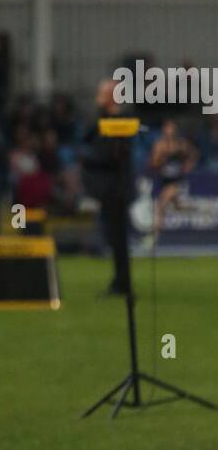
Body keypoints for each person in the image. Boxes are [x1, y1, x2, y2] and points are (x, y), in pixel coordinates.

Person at [81, 78, 135, 296]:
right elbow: (88, 137)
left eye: (102, 93)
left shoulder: (120, 122)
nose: (98, 97)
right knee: (114, 238)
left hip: (117, 189)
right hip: (110, 189)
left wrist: (88, 158)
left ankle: (122, 283)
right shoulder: (103, 121)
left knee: (118, 238)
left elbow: (111, 156)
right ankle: (120, 280)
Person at [149, 118, 198, 235]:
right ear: (164, 130)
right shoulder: (160, 145)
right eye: (167, 128)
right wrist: (161, 158)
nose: (170, 131)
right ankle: (198, 209)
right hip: (164, 180)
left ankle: (153, 235)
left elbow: (194, 154)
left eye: (172, 128)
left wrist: (189, 165)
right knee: (178, 207)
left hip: (177, 181)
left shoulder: (181, 144)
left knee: (161, 205)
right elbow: (153, 163)